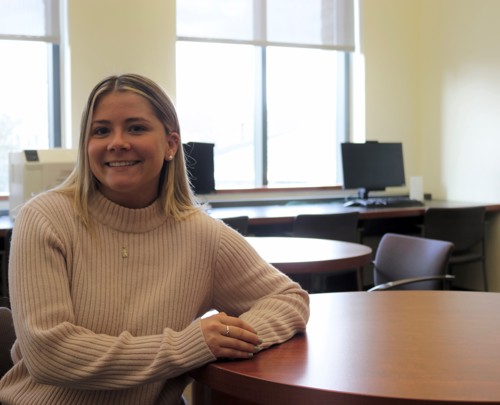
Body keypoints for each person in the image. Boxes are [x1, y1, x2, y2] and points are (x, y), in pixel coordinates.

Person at [0, 73, 309, 404]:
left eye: (136, 128)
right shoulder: (45, 219)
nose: (117, 142)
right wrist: (188, 346)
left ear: (171, 145)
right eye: (101, 130)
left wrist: (230, 337)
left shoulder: (202, 235)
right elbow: (49, 354)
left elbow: (290, 299)